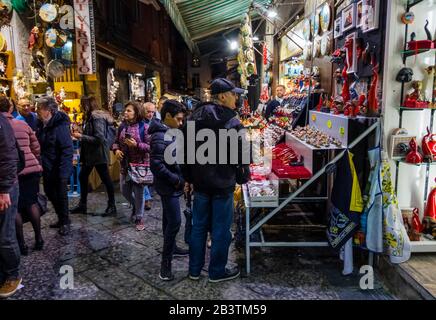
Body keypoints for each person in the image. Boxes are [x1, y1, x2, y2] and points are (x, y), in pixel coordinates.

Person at [182, 78, 249, 283]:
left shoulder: (193, 118)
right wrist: (241, 177)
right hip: (223, 185)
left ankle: (194, 270)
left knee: (199, 226)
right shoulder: (233, 122)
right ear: (222, 96)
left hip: (201, 184)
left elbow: (184, 153)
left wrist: (188, 178)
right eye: (233, 94)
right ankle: (217, 271)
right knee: (221, 229)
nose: (236, 98)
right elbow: (241, 156)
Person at [149, 100, 189, 281]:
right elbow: (156, 165)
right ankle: (165, 264)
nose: (181, 123)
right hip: (168, 186)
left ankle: (172, 248)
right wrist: (176, 181)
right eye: (179, 119)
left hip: (172, 185)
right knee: (174, 222)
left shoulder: (171, 132)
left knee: (168, 220)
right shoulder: (160, 136)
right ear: (167, 117)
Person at [0, 97, 44, 255]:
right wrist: (33, 158)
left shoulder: (3, 126)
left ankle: (22, 245)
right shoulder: (22, 123)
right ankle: (39, 239)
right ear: (11, 108)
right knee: (32, 203)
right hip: (31, 169)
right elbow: (36, 146)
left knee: (16, 208)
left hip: (13, 172)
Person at [70, 96, 116, 217]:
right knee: (83, 176)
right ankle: (83, 205)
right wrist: (81, 131)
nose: (80, 107)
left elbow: (99, 138)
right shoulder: (91, 117)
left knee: (105, 179)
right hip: (91, 154)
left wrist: (80, 136)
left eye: (82, 104)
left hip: (97, 154)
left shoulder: (96, 117)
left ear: (87, 105)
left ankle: (112, 206)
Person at [36, 97, 73, 236]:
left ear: (49, 110)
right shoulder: (41, 124)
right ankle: (62, 217)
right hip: (47, 166)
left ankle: (64, 221)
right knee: (49, 192)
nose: (38, 111)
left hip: (59, 168)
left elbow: (67, 149)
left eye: (40, 108)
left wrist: (64, 173)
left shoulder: (60, 126)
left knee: (61, 195)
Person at [112, 101, 150, 231]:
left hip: (139, 165)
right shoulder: (122, 126)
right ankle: (137, 206)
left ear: (136, 113)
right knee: (124, 190)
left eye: (129, 110)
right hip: (125, 164)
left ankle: (139, 217)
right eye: (125, 110)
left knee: (139, 192)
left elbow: (151, 147)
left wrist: (137, 145)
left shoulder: (144, 127)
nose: (125, 112)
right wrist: (116, 150)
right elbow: (116, 142)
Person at [0, 111, 21, 298]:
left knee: (5, 235)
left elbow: (8, 156)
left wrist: (5, 189)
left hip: (4, 188)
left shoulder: (2, 123)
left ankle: (12, 275)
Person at [142, 102, 156, 211]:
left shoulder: (154, 122)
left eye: (152, 112)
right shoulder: (140, 123)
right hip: (143, 153)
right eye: (148, 111)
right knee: (144, 178)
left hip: (151, 153)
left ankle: (147, 198)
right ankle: (146, 199)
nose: (150, 114)